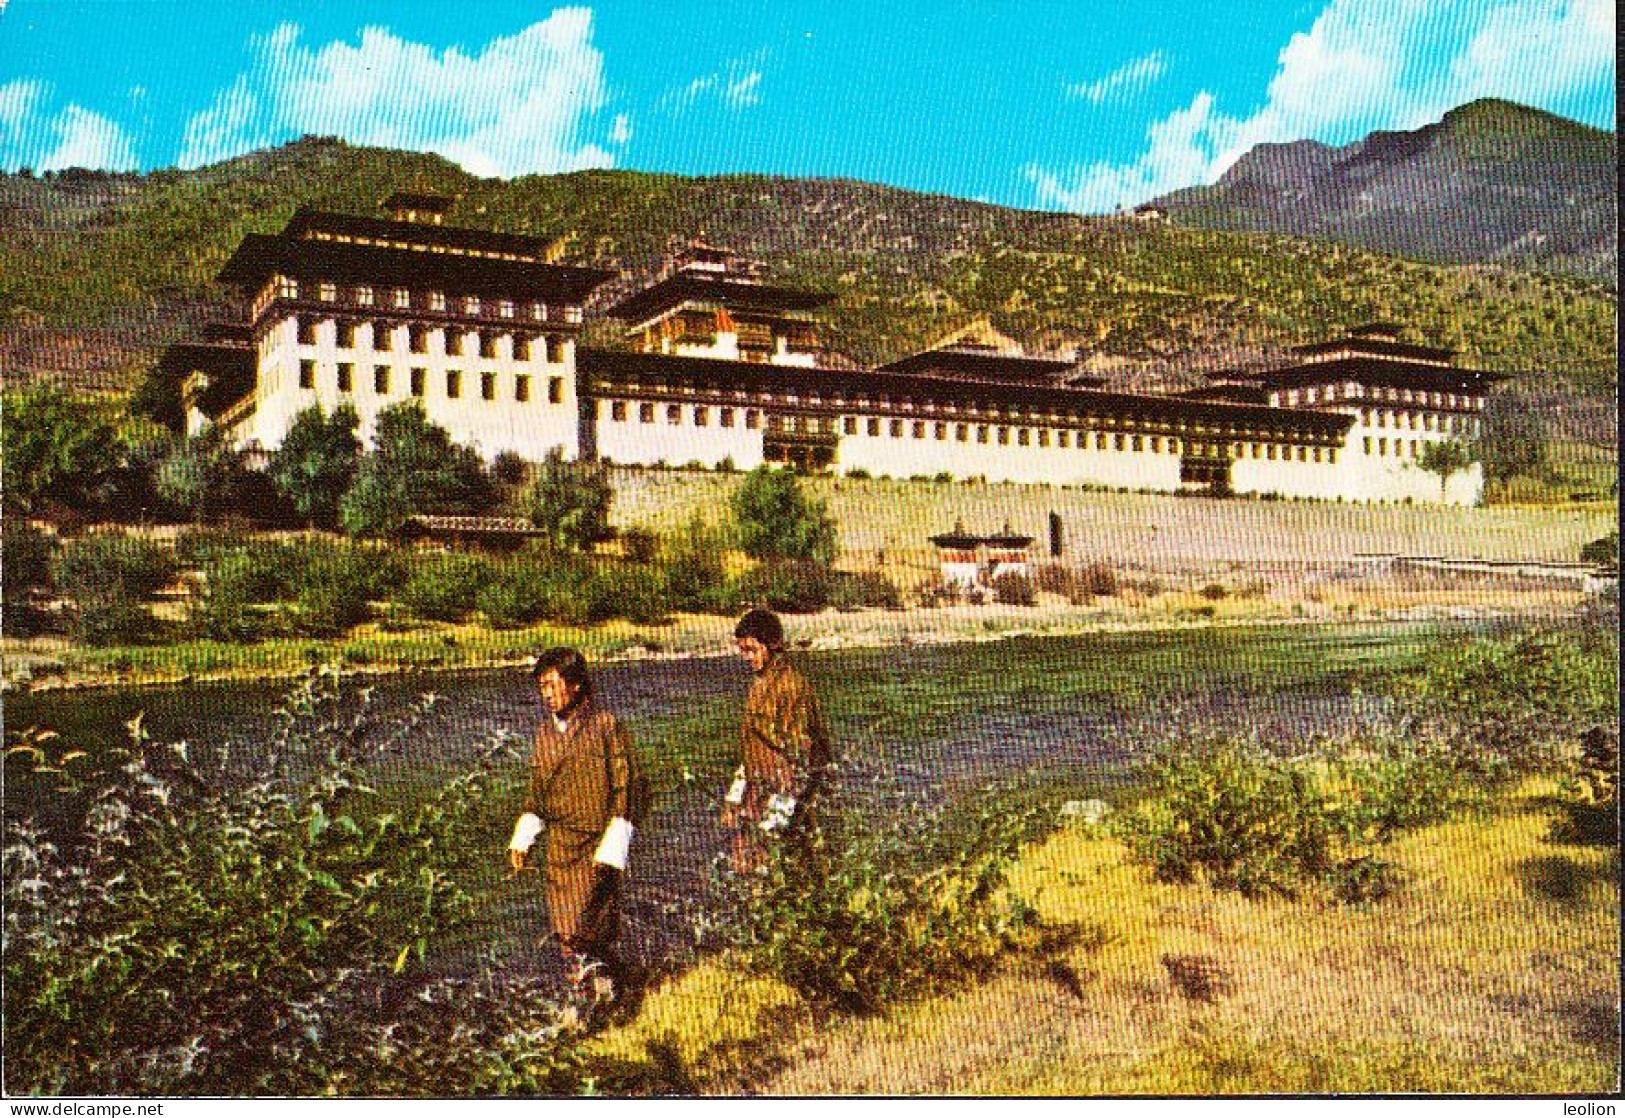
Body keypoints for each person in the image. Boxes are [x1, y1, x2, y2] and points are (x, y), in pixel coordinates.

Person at [507, 647, 639, 1013]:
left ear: (577, 685)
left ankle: (611, 1002)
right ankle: (590, 1010)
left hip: (598, 846)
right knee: (568, 935)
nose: (546, 694)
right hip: (560, 850)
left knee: (589, 928)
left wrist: (614, 845)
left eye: (552, 685)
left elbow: (628, 786)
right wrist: (524, 836)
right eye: (541, 687)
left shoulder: (605, 726)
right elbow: (538, 792)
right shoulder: (544, 735)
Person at [722, 608, 833, 872]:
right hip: (759, 786)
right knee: (743, 862)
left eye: (752, 650)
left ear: (772, 645)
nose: (747, 658)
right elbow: (752, 749)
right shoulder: (759, 684)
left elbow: (802, 757)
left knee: (777, 863)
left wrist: (778, 813)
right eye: (743, 651)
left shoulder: (793, 688)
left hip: (786, 790)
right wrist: (734, 799)